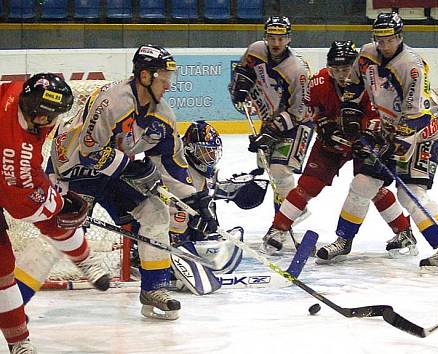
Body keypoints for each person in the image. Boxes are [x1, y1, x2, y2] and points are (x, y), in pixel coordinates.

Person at [18, 44, 217, 321]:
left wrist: (197, 200)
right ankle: (13, 305)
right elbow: (90, 152)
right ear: (145, 76)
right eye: (163, 77)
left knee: (156, 214)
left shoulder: (163, 115)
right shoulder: (112, 101)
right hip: (73, 168)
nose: (169, 85)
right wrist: (134, 165)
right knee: (59, 235)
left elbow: (172, 162)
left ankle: (153, 289)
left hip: (115, 173)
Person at [327, 12, 438, 271]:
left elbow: (416, 116)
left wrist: (393, 141)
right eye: (379, 39)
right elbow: (353, 86)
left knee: (409, 193)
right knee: (362, 183)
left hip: (424, 131)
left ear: (399, 37)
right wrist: (351, 114)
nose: (384, 45)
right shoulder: (366, 54)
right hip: (392, 125)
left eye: (389, 39)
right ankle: (343, 240)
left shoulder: (411, 65)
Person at [260, 41, 415, 259]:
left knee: (370, 188)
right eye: (337, 69)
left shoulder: (373, 83)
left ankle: (403, 232)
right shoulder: (319, 81)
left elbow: (381, 116)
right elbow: (309, 109)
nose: (342, 75)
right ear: (329, 68)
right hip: (332, 143)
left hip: (366, 142)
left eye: (346, 69)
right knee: (307, 185)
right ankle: (278, 228)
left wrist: (369, 136)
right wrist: (321, 121)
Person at [0, 73, 111, 353]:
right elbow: (21, 205)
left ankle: (85, 260)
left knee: (50, 217)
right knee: (2, 269)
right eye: (52, 117)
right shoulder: (18, 149)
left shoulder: (19, 93)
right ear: (37, 114)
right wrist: (59, 204)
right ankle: (18, 341)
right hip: (10, 170)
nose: (55, 123)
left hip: (12, 167)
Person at [228, 16, 312, 253]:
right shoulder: (255, 50)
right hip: (268, 122)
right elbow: (242, 73)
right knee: (275, 178)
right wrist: (240, 87)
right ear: (265, 36)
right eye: (272, 37)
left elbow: (301, 111)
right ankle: (281, 223)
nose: (276, 43)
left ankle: (285, 222)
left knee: (280, 171)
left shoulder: (297, 69)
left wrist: (271, 131)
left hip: (297, 125)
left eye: (281, 38)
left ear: (289, 39)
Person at [167, 121, 269, 293]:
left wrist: (240, 186)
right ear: (190, 149)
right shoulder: (179, 170)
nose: (210, 158)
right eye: (205, 152)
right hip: (170, 226)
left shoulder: (205, 171)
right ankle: (171, 263)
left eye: (213, 153)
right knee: (180, 217)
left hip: (192, 227)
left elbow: (213, 190)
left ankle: (193, 250)